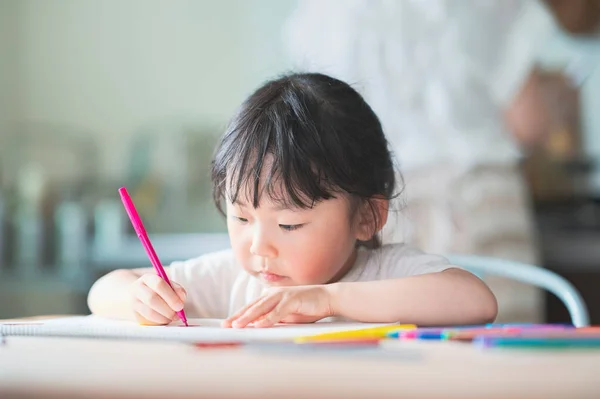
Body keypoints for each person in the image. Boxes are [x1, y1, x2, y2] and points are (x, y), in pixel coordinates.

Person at [87, 73, 497, 327]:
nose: (258, 246)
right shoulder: (232, 278)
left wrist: (328, 299)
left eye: (289, 225)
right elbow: (102, 291)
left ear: (367, 217)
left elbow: (475, 301)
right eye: (241, 218)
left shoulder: (386, 273)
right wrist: (139, 297)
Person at [283, 0, 581, 323]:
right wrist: (559, 99)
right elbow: (528, 122)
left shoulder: (322, 11)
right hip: (477, 199)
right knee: (501, 349)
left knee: (400, 353)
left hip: (377, 210)